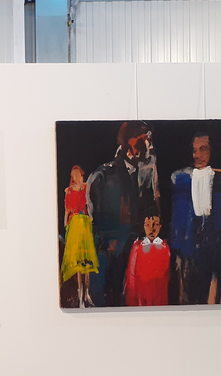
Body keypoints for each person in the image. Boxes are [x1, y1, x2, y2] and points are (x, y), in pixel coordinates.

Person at [85, 121, 159, 306]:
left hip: (137, 256)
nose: (147, 146)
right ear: (129, 142)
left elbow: (152, 210)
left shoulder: (146, 172)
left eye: (148, 141)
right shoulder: (103, 176)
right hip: (111, 256)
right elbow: (95, 216)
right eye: (142, 140)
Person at [170, 132, 221, 305]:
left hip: (217, 245)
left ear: (211, 152)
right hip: (193, 247)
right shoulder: (182, 180)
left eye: (203, 149)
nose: (198, 155)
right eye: (195, 151)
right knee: (196, 298)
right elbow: (179, 216)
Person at [60, 165, 98, 307]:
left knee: (86, 264)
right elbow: (67, 212)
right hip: (76, 226)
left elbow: (90, 205)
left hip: (84, 226)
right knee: (78, 264)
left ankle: (86, 294)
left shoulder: (86, 187)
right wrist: (66, 227)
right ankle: (81, 295)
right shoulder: (69, 191)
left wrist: (91, 218)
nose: (78, 177)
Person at [124, 208, 170, 306]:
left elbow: (166, 272)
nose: (152, 229)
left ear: (160, 226)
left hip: (159, 291)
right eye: (148, 224)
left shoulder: (164, 247)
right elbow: (131, 272)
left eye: (156, 224)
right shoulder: (137, 246)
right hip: (141, 292)